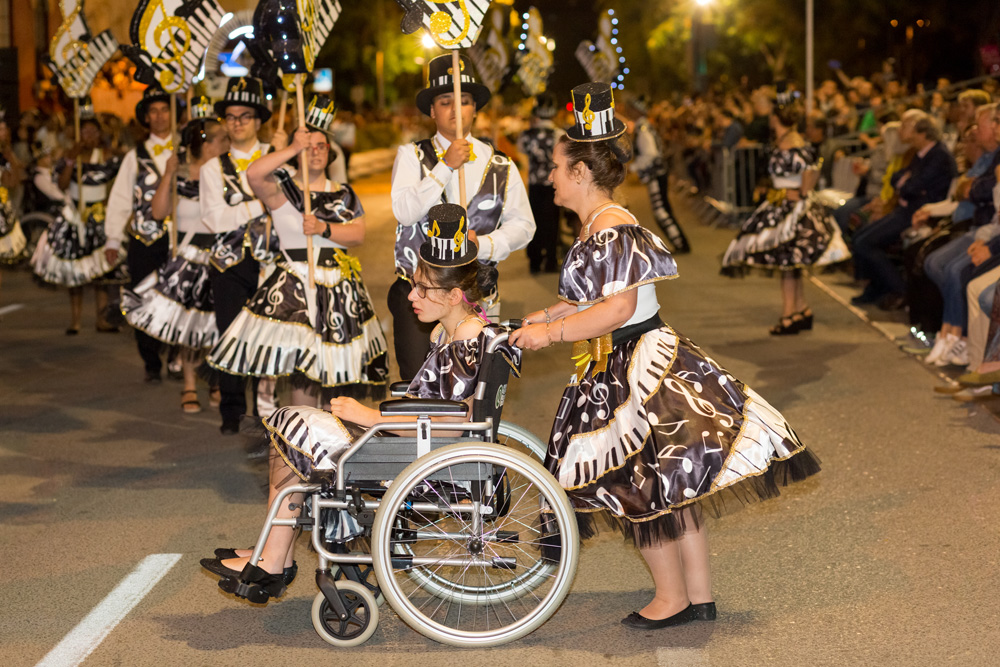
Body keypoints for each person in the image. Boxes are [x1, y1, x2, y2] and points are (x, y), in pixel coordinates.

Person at [510, 82, 820, 630]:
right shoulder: (601, 225)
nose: (549, 176)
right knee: (673, 485)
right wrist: (546, 316)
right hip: (632, 355)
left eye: (556, 168)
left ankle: (671, 598)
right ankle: (696, 596)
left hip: (631, 364)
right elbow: (590, 300)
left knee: (638, 485)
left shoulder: (610, 227)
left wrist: (553, 336)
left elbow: (615, 310)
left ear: (580, 173)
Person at [200, 203, 518, 598]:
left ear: (454, 294)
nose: (412, 296)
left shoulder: (467, 339)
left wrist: (370, 417)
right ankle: (271, 554)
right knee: (293, 427)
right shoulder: (454, 331)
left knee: (294, 427)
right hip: (413, 441)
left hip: (421, 454)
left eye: (422, 288)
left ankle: (272, 558)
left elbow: (457, 418)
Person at [208, 95, 389, 409]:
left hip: (339, 289)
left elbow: (357, 234)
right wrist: (291, 148)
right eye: (309, 147)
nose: (315, 152)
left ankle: (333, 448)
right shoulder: (282, 191)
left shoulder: (343, 193)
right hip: (296, 288)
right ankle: (300, 444)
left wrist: (323, 229)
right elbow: (253, 175)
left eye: (321, 146)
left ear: (330, 152)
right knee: (304, 373)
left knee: (335, 373)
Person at [390, 54, 535, 380]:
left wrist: (483, 244)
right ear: (432, 110)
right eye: (445, 101)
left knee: (473, 385)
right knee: (420, 384)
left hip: (476, 293)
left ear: (474, 108)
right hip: (419, 294)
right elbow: (404, 212)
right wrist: (445, 167)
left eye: (464, 101)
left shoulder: (501, 164)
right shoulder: (411, 157)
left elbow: (525, 226)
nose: (456, 109)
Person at [122, 110, 229, 413]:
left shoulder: (226, 175)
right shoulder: (179, 175)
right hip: (187, 258)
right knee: (190, 326)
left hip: (219, 255)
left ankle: (217, 380)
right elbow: (157, 213)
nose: (226, 142)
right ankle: (190, 384)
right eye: (221, 138)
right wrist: (168, 173)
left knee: (216, 325)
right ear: (204, 143)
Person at [721, 91, 848, 335]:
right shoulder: (785, 140)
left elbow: (812, 168)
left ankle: (788, 316)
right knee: (790, 265)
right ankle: (801, 310)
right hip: (781, 206)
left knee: (789, 264)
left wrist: (800, 193)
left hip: (793, 210)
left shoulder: (795, 142)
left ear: (777, 118)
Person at [201, 77, 277, 434]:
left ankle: (268, 407)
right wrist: (261, 203)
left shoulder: (279, 160)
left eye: (245, 115)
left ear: (258, 120)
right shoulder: (211, 169)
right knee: (230, 335)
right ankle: (232, 409)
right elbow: (214, 219)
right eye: (230, 116)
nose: (237, 122)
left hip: (274, 262)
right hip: (229, 264)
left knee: (272, 332)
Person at [104, 85, 175, 382]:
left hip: (179, 240)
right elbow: (121, 197)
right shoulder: (135, 156)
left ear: (173, 113)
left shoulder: (186, 150)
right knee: (142, 296)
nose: (159, 116)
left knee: (177, 298)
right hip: (144, 239)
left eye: (164, 109)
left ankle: (176, 357)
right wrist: (112, 238)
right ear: (146, 118)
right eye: (153, 111)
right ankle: (150, 360)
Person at [30, 106, 123, 333]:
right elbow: (61, 185)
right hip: (76, 216)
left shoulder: (107, 156)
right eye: (85, 132)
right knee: (76, 271)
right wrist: (71, 160)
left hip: (99, 217)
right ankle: (76, 320)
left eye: (93, 132)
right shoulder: (69, 156)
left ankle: (102, 319)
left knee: (100, 271)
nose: (89, 136)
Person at [851, 110, 957, 308]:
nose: (901, 130)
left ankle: (898, 289)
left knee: (865, 243)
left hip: (918, 213)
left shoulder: (938, 156)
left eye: (905, 126)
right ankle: (879, 286)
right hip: (905, 208)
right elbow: (897, 179)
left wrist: (906, 185)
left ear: (921, 132)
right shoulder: (919, 154)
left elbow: (913, 187)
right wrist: (906, 184)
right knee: (860, 237)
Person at [630, 95, 691, 254]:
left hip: (655, 175)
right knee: (662, 210)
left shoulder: (643, 128)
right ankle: (680, 243)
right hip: (657, 174)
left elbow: (650, 153)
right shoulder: (644, 126)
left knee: (661, 211)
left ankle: (680, 244)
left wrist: (633, 167)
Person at [517, 92, 563, 273]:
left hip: (534, 184)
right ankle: (551, 260)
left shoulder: (526, 135)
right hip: (553, 184)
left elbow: (521, 151)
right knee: (552, 222)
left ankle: (534, 261)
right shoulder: (559, 134)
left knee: (534, 221)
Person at [0, 108, 27, 275]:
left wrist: (8, 152)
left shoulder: (4, 155)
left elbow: (12, 182)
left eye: (4, 129)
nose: (3, 133)